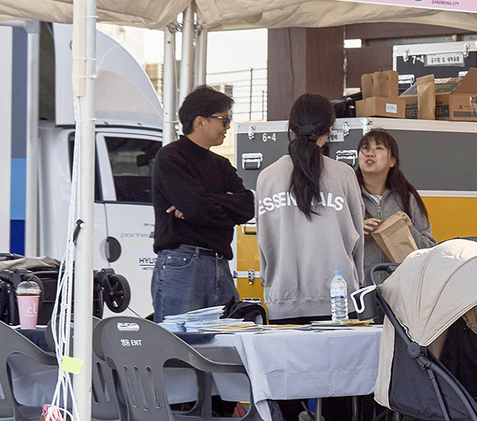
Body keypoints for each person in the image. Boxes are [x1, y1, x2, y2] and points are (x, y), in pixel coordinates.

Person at [254, 94, 365, 321]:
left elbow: (263, 238)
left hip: (282, 300)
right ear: (329, 129)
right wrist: (357, 279)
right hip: (339, 300)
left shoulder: (267, 177)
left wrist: (269, 280)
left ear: (291, 127)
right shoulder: (344, 174)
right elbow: (356, 235)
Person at [149, 86, 254, 322]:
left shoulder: (221, 164)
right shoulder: (170, 157)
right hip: (182, 261)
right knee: (179, 343)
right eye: (224, 119)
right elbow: (198, 208)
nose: (227, 126)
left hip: (219, 262)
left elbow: (247, 206)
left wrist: (209, 200)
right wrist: (222, 202)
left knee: (224, 340)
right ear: (200, 121)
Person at [356, 129, 435, 280]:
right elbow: (331, 244)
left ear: (392, 161)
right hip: (361, 288)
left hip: (402, 288)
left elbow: (430, 249)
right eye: (365, 148)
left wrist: (409, 229)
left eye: (378, 148)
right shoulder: (347, 196)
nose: (370, 153)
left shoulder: (407, 198)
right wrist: (356, 230)